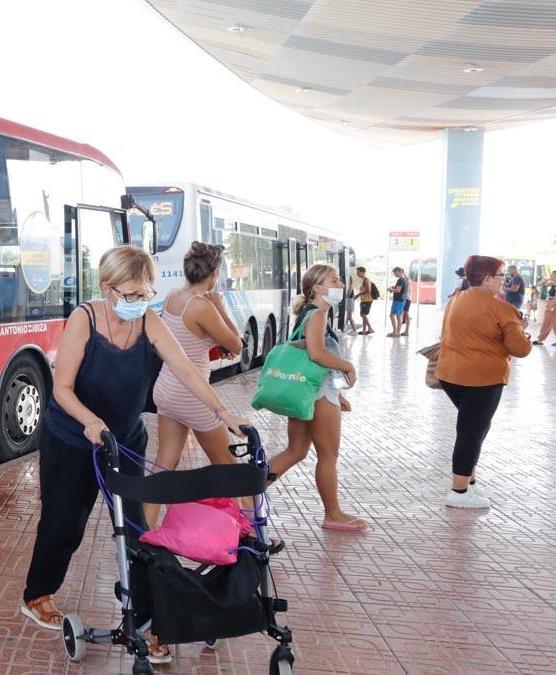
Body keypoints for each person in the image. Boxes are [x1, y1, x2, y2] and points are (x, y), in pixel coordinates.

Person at [19, 245, 248, 664]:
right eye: (129, 295)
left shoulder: (149, 320)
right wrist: (90, 422)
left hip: (123, 439)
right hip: (72, 438)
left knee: (138, 532)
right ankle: (37, 594)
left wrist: (221, 412)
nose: (137, 302)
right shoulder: (83, 320)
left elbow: (185, 369)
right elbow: (62, 389)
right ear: (107, 289)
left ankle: (145, 618)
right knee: (64, 523)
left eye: (144, 294)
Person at [149, 242, 244, 525]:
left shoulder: (173, 297)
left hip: (167, 389)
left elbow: (187, 339)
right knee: (228, 468)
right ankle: (245, 531)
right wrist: (221, 307)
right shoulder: (203, 305)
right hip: (194, 395)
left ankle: (144, 527)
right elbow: (236, 344)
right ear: (214, 273)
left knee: (165, 463)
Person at [267, 264, 367, 532]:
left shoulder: (308, 313)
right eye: (334, 280)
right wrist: (348, 366)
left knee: (295, 451)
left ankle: (246, 493)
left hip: (307, 390)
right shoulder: (319, 314)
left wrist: (337, 390)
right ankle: (333, 514)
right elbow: (316, 353)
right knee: (328, 456)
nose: (341, 284)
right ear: (317, 288)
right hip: (317, 394)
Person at [435, 256, 531, 509]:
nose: (504, 281)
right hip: (482, 380)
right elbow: (520, 349)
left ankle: (470, 482)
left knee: (475, 428)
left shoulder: (456, 299)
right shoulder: (501, 309)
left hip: (450, 375)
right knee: (471, 431)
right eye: (501, 276)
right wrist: (522, 330)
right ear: (487, 279)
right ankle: (459, 491)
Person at [534, 271, 556, 346]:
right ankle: (540, 339)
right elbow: (538, 285)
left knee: (550, 323)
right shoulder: (553, 283)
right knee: (547, 323)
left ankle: (540, 339)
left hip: (553, 304)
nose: (551, 276)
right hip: (551, 303)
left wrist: (551, 306)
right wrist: (546, 280)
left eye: (552, 275)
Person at [388, 267, 409, 337]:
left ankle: (395, 332)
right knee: (398, 316)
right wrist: (394, 288)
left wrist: (390, 289)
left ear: (398, 271)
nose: (394, 274)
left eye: (395, 273)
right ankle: (397, 332)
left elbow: (398, 291)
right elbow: (400, 289)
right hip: (402, 300)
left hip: (398, 300)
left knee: (392, 315)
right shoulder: (405, 280)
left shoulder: (400, 280)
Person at [353, 267, 374, 334]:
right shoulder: (363, 280)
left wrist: (358, 294)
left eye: (358, 272)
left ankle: (370, 328)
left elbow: (368, 290)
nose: (357, 274)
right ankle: (364, 330)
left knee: (363, 314)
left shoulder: (366, 280)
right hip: (364, 300)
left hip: (367, 300)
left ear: (363, 272)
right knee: (363, 315)